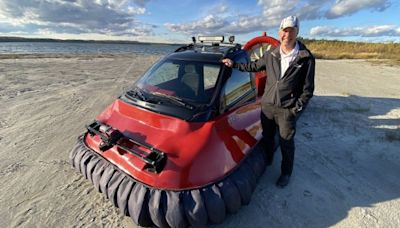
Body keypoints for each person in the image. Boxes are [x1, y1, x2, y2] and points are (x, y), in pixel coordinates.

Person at [222, 15, 315, 188]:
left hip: (287, 109)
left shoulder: (306, 58)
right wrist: (233, 64)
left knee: (287, 143)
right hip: (267, 107)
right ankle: (269, 160)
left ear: (297, 32)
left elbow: (308, 90)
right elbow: (253, 66)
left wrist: (296, 109)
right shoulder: (271, 54)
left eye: (291, 31)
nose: (287, 34)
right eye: (284, 31)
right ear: (280, 32)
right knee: (267, 137)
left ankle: (286, 173)